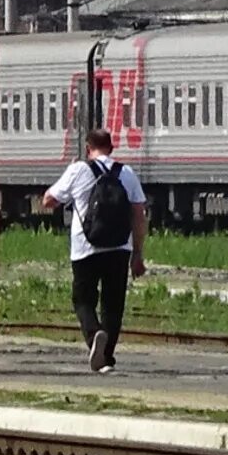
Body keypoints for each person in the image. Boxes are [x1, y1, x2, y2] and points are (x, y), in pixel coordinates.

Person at [41, 126, 147, 375]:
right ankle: (106, 356)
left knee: (83, 299)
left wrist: (69, 179)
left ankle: (93, 334)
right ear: (111, 148)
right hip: (119, 247)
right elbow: (139, 215)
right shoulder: (127, 173)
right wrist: (138, 254)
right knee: (113, 303)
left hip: (85, 247)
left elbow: (48, 200)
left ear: (88, 148)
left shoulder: (78, 170)